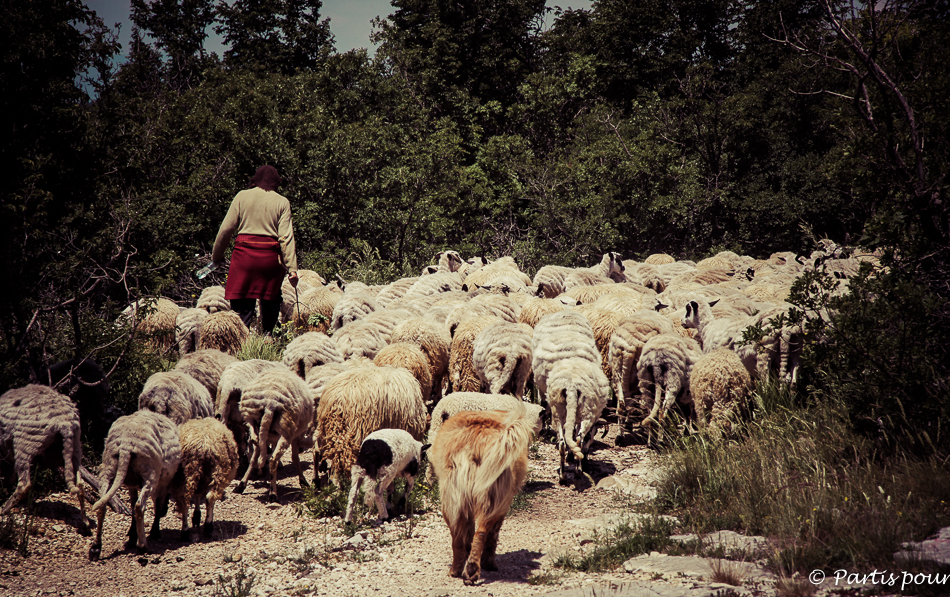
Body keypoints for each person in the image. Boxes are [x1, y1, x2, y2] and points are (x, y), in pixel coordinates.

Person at [211, 165, 298, 335]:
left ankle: (241, 339)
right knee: (271, 298)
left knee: (242, 303)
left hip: (244, 258)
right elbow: (286, 237)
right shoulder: (282, 202)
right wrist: (292, 269)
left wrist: (217, 256)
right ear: (276, 182)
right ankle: (267, 337)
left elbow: (226, 230)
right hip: (269, 260)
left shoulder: (242, 196)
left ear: (255, 179)